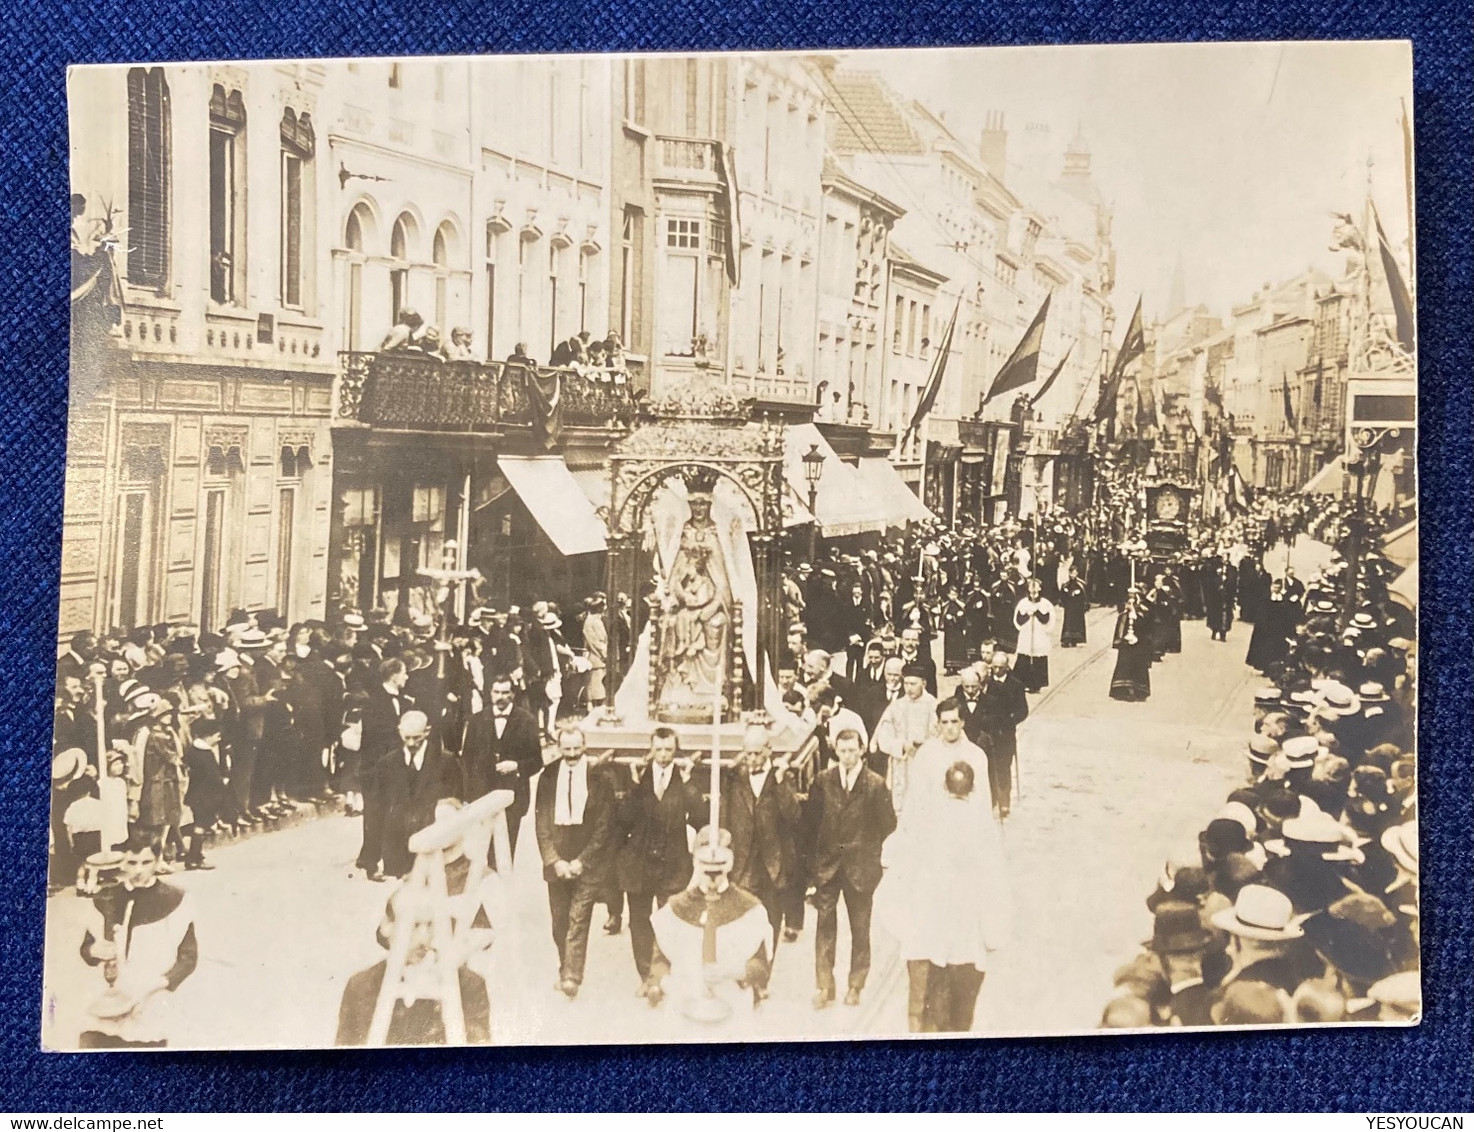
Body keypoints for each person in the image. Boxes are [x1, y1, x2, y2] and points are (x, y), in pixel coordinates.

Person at [887, 760, 1011, 1033]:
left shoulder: (928, 825)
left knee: (931, 1017)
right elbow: (995, 889)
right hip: (968, 947)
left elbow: (899, 872)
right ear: (974, 789)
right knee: (961, 1020)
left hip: (932, 946)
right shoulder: (985, 830)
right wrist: (993, 937)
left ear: (944, 788)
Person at [78, 840, 198, 1048]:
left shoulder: (175, 899)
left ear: (158, 861)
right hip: (106, 1003)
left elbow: (188, 959)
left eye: (146, 862)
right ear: (122, 862)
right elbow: (86, 948)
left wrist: (157, 984)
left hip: (150, 999)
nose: (139, 870)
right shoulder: (105, 897)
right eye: (132, 862)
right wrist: (93, 950)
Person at [648, 829, 774, 1026]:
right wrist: (669, 985)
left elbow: (761, 968)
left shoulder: (750, 908)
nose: (712, 877)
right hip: (685, 1005)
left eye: (718, 870)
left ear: (729, 865)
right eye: (707, 870)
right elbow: (658, 963)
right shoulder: (675, 908)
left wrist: (732, 970)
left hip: (734, 1004)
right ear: (695, 863)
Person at [809, 729, 896, 1009]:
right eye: (842, 751)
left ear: (862, 750)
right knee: (824, 927)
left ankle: (856, 985)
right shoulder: (823, 781)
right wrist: (815, 866)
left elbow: (888, 827)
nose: (847, 756)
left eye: (852, 750)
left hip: (861, 870)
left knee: (860, 930)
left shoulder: (875, 785)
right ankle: (824, 986)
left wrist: (873, 856)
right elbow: (812, 823)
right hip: (828, 867)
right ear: (835, 751)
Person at [615, 727, 701, 1002]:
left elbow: (699, 815)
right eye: (659, 749)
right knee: (639, 922)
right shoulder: (638, 777)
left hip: (672, 864)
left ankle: (663, 976)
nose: (663, 756)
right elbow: (624, 818)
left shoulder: (683, 778)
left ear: (676, 752)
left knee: (669, 922)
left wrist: (688, 783)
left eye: (669, 750)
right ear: (651, 749)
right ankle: (646, 976)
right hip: (640, 863)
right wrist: (632, 785)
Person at [534, 727, 616, 999]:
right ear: (558, 747)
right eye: (565, 749)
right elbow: (542, 821)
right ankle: (564, 967)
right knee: (559, 922)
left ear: (585, 746)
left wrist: (583, 861)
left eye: (576, 749)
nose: (571, 755)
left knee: (578, 918)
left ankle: (572, 976)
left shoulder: (599, 778)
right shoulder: (548, 776)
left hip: (587, 861)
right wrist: (553, 859)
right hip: (557, 860)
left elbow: (604, 826)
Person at [722, 723, 802, 953]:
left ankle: (763, 975)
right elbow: (725, 816)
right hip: (743, 864)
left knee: (771, 923)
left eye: (757, 753)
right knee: (741, 921)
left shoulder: (783, 776)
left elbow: (793, 816)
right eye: (748, 753)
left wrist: (779, 783)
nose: (753, 758)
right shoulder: (734, 775)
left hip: (773, 864)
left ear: (769, 749)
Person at [461, 675, 545, 867]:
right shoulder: (476, 720)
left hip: (513, 796)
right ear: (490, 693)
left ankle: (501, 891)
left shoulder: (527, 720)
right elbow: (466, 761)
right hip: (481, 795)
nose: (500, 697)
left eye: (505, 692)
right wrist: (466, 796)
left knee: (506, 851)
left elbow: (537, 761)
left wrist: (517, 766)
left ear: (513, 694)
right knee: (480, 851)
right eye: (497, 692)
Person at [378, 711, 463, 880]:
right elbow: (383, 807)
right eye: (407, 737)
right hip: (401, 847)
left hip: (434, 845)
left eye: (416, 738)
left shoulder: (446, 761)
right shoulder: (388, 763)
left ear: (427, 731)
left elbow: (456, 801)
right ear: (400, 731)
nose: (411, 743)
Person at [356, 658, 414, 882]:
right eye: (404, 673)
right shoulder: (374, 702)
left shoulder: (404, 702)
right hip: (375, 768)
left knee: (396, 813)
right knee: (375, 814)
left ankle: (394, 863)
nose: (407, 677)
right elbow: (373, 735)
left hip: (395, 767)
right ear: (394, 675)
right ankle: (370, 863)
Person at [872, 663, 938, 813]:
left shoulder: (933, 705)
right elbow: (884, 735)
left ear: (924, 683)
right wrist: (901, 746)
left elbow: (940, 735)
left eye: (913, 684)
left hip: (926, 763)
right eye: (906, 683)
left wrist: (925, 745)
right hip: (901, 763)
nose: (909, 688)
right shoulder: (896, 706)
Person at [974, 654, 1029, 818]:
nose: (997, 670)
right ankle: (991, 800)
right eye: (994, 667)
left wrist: (1010, 720)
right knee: (989, 768)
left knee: (1003, 767)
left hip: (1005, 734)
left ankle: (1004, 801)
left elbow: (1022, 711)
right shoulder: (986, 684)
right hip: (988, 734)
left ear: (1007, 667)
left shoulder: (1014, 685)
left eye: (1000, 667)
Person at [1012, 577, 1055, 693]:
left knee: (1038, 659)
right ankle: (1022, 683)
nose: (1034, 590)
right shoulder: (1023, 603)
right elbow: (1018, 619)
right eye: (1031, 587)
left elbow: (1047, 619)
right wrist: (1027, 614)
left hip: (1039, 634)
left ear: (1040, 588)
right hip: (1026, 633)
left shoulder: (1045, 603)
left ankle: (1037, 684)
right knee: (1024, 658)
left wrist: (1037, 612)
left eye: (1036, 587)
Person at [1110, 590, 1152, 702]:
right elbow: (1119, 631)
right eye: (1128, 603)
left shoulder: (1142, 616)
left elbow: (1145, 630)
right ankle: (1124, 689)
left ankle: (1138, 690)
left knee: (1138, 666)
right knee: (1125, 666)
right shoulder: (1123, 617)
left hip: (1138, 647)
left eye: (1132, 603)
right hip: (1126, 647)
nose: (1130, 606)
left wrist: (1138, 638)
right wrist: (1123, 640)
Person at [1059, 566, 1088, 648]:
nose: (1072, 575)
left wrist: (1084, 604)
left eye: (1074, 573)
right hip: (1069, 607)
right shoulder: (1066, 585)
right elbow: (1062, 596)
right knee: (1068, 622)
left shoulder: (1080, 584)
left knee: (1077, 622)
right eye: (1071, 573)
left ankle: (1075, 639)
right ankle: (1067, 639)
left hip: (1077, 607)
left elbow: (1084, 596)